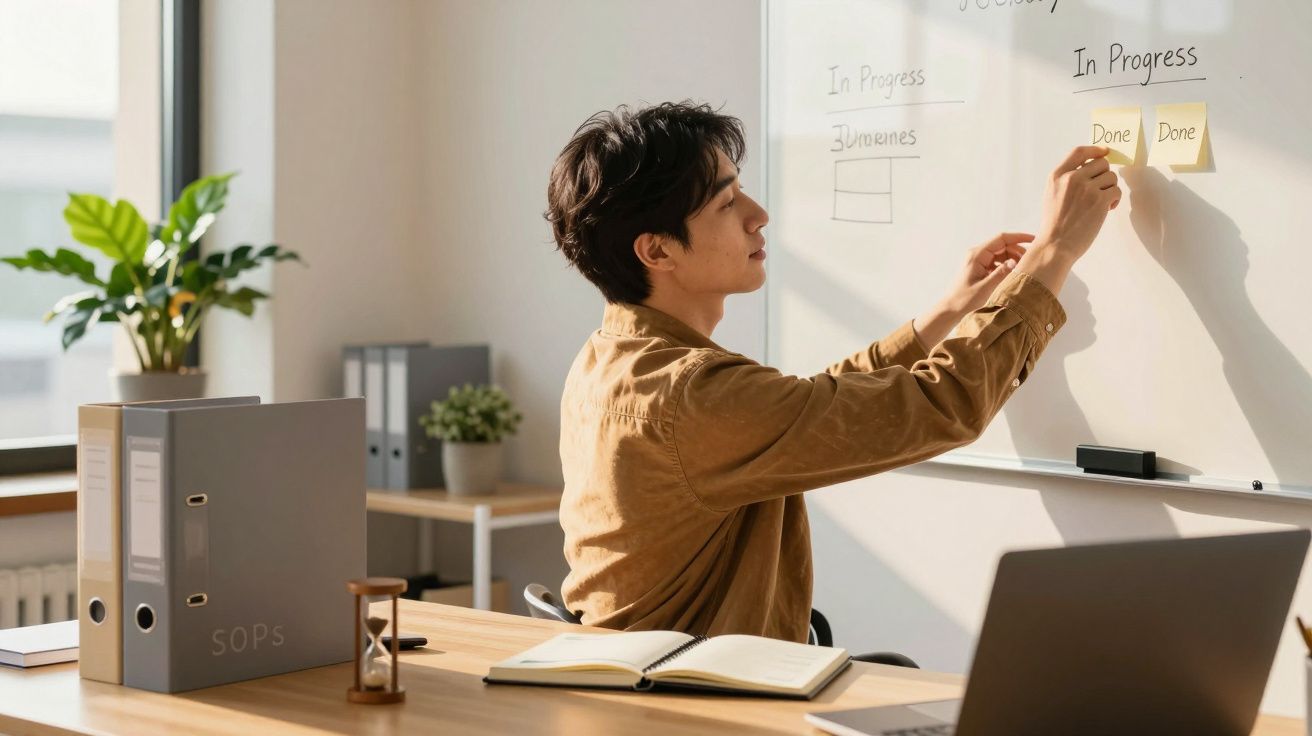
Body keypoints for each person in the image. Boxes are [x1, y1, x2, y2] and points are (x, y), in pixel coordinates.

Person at [544, 101, 1120, 642]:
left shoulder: (611, 358)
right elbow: (939, 405)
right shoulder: (691, 396)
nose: (758, 215)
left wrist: (945, 314)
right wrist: (1053, 254)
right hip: (695, 707)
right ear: (657, 251)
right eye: (727, 203)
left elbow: (811, 404)